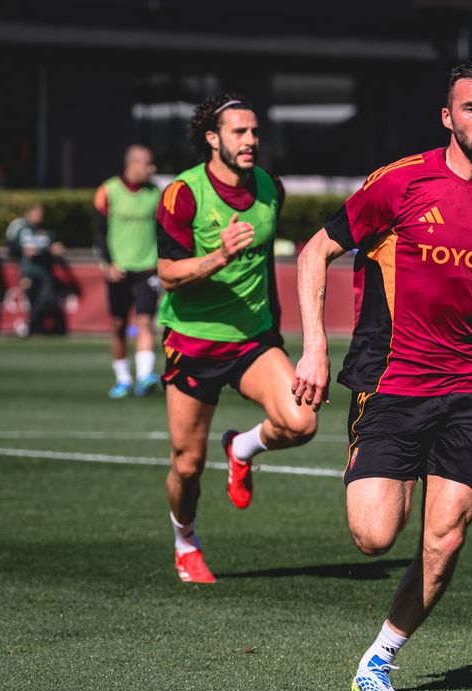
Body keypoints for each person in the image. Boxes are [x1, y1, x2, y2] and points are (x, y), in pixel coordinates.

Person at [292, 60, 472, 691]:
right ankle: (372, 463)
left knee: (445, 537)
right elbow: (314, 251)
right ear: (448, 117)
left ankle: (381, 656)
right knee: (375, 536)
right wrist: (314, 349)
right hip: (392, 379)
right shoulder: (401, 183)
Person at [155, 93, 317, 584]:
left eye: (254, 131)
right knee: (187, 466)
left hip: (252, 340)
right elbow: (166, 273)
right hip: (193, 343)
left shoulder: (270, 188)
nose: (251, 141)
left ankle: (242, 448)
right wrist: (217, 257)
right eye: (238, 133)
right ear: (212, 138)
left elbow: (266, 262)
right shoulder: (182, 194)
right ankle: (186, 540)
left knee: (301, 422)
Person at [94, 145, 163, 398]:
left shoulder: (156, 192)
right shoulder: (108, 190)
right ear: (133, 164)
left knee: (145, 321)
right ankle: (123, 378)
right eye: (148, 163)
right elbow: (99, 231)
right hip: (118, 270)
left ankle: (145, 377)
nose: (152, 169)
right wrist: (109, 263)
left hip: (147, 268)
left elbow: (163, 231)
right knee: (118, 325)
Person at [6, 202, 66, 336]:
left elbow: (52, 246)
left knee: (46, 298)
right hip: (28, 270)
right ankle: (33, 327)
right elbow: (12, 248)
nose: (38, 216)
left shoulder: (46, 230)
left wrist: (53, 249)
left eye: (40, 214)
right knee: (32, 299)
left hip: (44, 271)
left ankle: (32, 325)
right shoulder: (21, 228)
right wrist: (23, 250)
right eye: (35, 213)